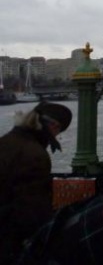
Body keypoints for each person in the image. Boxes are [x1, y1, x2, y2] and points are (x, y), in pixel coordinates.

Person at [0, 101, 72, 264]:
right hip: (9, 243)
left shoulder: (6, 141)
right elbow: (32, 211)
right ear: (53, 127)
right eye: (58, 131)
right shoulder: (34, 154)